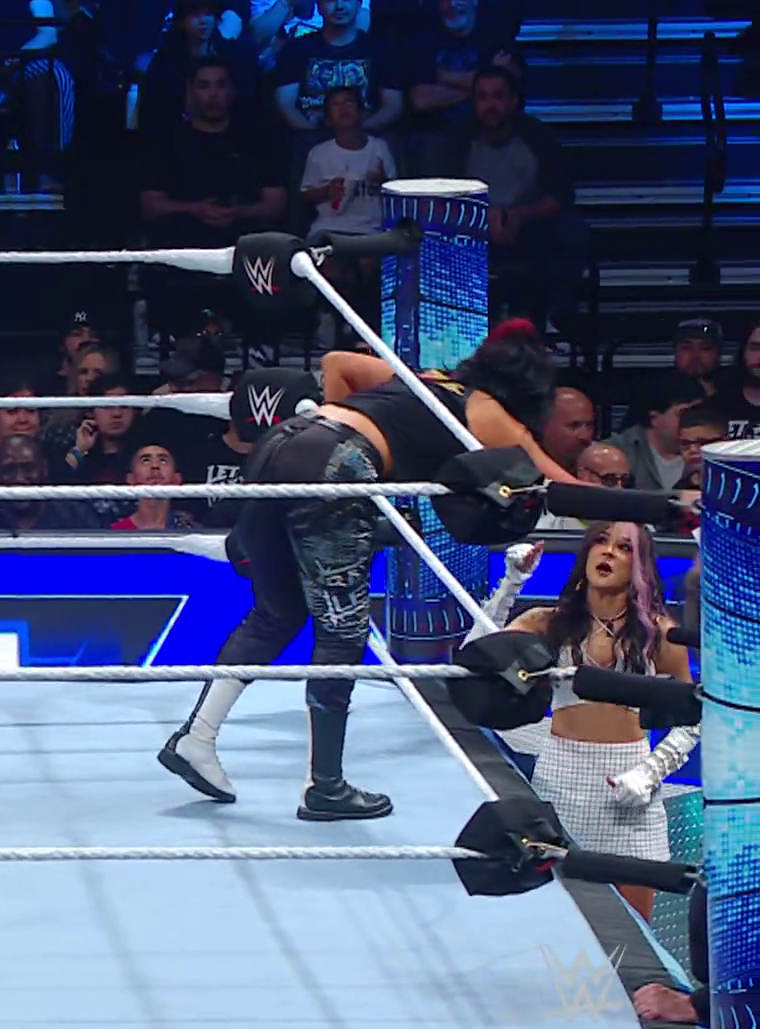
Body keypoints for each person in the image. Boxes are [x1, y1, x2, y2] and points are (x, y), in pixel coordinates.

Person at [158, 322, 579, 820]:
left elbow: (337, 363)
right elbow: (557, 484)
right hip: (335, 464)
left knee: (277, 612)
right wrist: (641, 508)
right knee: (343, 633)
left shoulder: (426, 378)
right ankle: (325, 786)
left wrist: (341, 435)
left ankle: (196, 737)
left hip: (283, 441)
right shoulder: (490, 414)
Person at [475, 525, 695, 918]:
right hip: (561, 780)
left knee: (634, 933)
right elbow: (472, 662)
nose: (608, 552)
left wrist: (649, 773)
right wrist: (511, 584)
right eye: (601, 541)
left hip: (629, 790)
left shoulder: (659, 634)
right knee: (559, 919)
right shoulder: (548, 623)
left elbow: (693, 717)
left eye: (624, 547)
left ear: (641, 566)